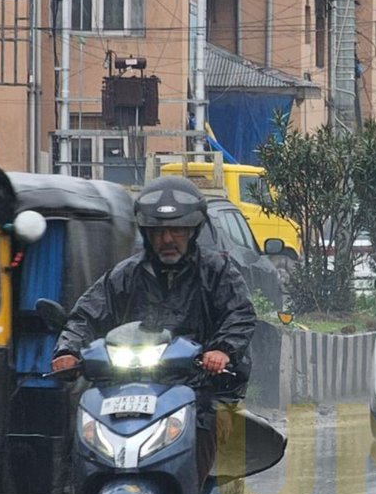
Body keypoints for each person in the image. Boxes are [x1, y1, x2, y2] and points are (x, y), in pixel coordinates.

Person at [51, 176, 256, 477]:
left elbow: (239, 313)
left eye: (177, 230)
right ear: (147, 234)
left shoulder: (217, 271)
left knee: (203, 426)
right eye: (159, 231)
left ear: (193, 231)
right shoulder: (126, 274)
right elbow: (85, 315)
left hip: (198, 384)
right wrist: (67, 350)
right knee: (84, 422)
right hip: (128, 383)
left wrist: (221, 350)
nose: (168, 239)